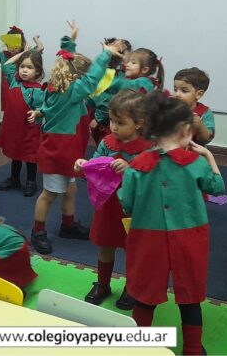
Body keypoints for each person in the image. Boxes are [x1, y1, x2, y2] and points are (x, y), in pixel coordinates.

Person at [118, 90, 224, 355]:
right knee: (190, 294)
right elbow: (217, 187)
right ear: (187, 130)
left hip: (147, 236)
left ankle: (140, 347)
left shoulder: (136, 165)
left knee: (144, 293)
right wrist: (209, 156)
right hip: (189, 235)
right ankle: (193, 349)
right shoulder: (196, 163)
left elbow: (126, 202)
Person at [28, 21, 123, 255]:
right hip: (58, 151)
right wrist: (106, 55)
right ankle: (37, 231)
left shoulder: (61, 87)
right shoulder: (70, 92)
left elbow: (66, 59)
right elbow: (92, 79)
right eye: (83, 77)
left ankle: (68, 225)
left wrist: (70, 40)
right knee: (49, 194)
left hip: (68, 151)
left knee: (70, 189)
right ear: (76, 77)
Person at [75, 90, 151, 310]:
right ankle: (103, 284)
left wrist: (130, 169)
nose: (114, 127)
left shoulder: (148, 148)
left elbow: (153, 178)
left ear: (139, 123)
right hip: (108, 205)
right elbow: (94, 165)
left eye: (120, 122)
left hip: (133, 208)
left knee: (132, 250)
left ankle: (131, 287)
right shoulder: (107, 143)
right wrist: (82, 165)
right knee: (105, 245)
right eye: (111, 121)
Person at [0, 47, 45, 197]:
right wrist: (23, 54)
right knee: (15, 153)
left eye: (29, 67)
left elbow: (41, 109)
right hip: (14, 127)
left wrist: (36, 114)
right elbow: (7, 65)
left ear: (37, 71)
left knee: (30, 156)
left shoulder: (38, 90)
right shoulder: (14, 81)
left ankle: (31, 181)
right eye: (22, 66)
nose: (24, 70)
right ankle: (14, 178)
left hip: (29, 129)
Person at [86, 37, 132, 145]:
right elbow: (100, 95)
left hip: (105, 118)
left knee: (107, 143)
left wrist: (98, 118)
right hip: (97, 113)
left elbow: (110, 99)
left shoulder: (118, 75)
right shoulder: (109, 73)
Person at [172, 68, 215, 145]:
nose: (177, 94)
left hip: (193, 150)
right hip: (170, 149)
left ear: (199, 94)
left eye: (184, 91)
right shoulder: (170, 108)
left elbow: (206, 139)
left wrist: (199, 126)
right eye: (175, 89)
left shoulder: (205, 113)